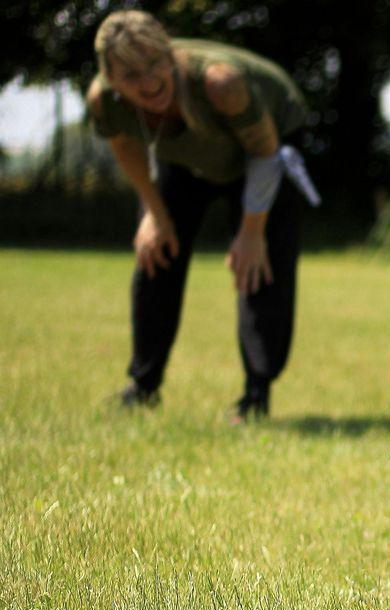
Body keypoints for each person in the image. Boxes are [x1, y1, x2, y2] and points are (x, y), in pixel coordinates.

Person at [87, 10, 320, 422]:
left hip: (265, 149)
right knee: (155, 254)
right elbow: (125, 147)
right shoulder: (105, 101)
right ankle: (143, 386)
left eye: (156, 63)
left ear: (170, 53)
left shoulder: (219, 83)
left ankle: (255, 395)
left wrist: (251, 233)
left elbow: (265, 153)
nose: (150, 81)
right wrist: (153, 213)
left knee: (259, 268)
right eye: (132, 74)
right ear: (111, 77)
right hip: (186, 157)